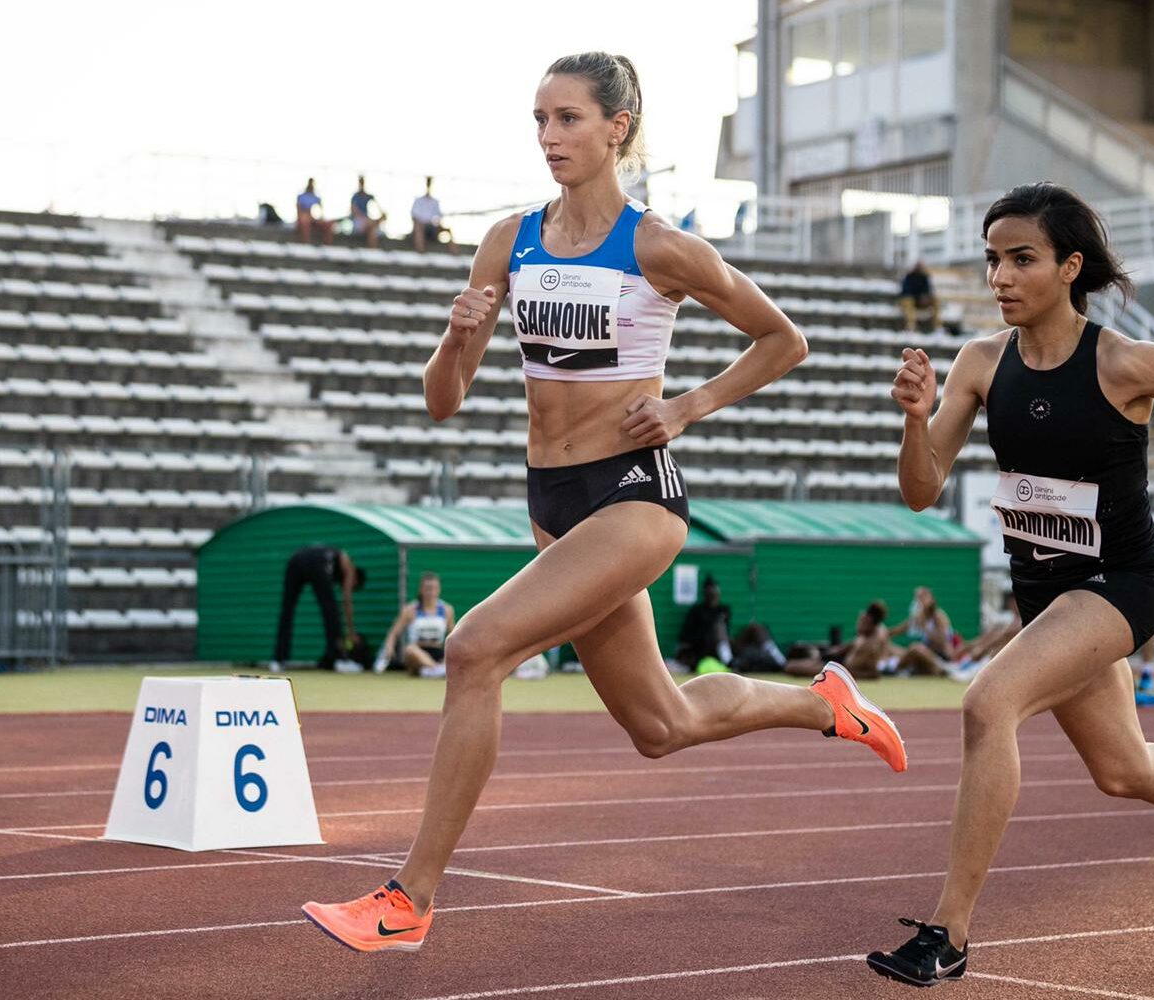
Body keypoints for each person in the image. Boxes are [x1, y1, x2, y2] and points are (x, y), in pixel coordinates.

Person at [302, 50, 908, 955]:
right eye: (540, 120)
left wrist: (685, 405)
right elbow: (443, 399)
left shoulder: (657, 245)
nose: (550, 136)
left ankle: (409, 899)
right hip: (552, 497)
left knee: (472, 649)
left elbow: (785, 340)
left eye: (569, 119)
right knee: (662, 725)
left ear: (617, 127)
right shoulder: (511, 239)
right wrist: (455, 338)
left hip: (634, 496)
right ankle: (826, 703)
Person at [867, 181, 1154, 988]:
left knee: (988, 703)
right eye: (992, 260)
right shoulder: (980, 363)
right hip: (1046, 596)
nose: (1000, 277)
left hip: (1121, 582)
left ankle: (949, 933)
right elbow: (921, 491)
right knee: (1123, 770)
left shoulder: (1126, 363)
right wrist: (917, 420)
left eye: (1021, 259)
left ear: (1069, 267)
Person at [269, 545, 366, 673]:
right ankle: (339, 660)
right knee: (331, 611)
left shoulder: (330, 556)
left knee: (287, 610)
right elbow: (347, 601)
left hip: (295, 560)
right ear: (356, 579)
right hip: (316, 564)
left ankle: (278, 661)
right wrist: (351, 632)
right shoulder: (349, 567)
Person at [376, 572, 455, 678]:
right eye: (428, 588)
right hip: (417, 653)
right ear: (421, 590)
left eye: (434, 588)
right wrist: (389, 649)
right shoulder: (410, 610)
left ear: (439, 589)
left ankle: (434, 670)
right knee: (409, 650)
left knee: (452, 649)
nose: (431, 592)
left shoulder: (447, 610)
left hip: (438, 651)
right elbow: (393, 633)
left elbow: (453, 635)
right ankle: (435, 669)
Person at [887, 585, 957, 676]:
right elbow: (896, 631)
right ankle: (898, 669)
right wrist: (880, 633)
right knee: (891, 648)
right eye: (917, 598)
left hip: (940, 657)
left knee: (915, 648)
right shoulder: (917, 617)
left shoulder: (938, 616)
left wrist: (924, 627)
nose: (919, 601)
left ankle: (894, 671)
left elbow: (943, 642)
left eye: (923, 597)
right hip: (923, 655)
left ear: (931, 599)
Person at [674, 575, 732, 673]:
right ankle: (729, 661)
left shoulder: (723, 610)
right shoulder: (697, 611)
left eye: (715, 593)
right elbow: (685, 635)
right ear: (705, 594)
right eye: (710, 593)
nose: (713, 596)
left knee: (720, 628)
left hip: (718, 646)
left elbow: (725, 632)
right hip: (699, 645)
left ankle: (729, 660)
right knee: (717, 628)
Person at [411, 177, 455, 254]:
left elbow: (439, 217)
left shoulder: (435, 202)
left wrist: (437, 224)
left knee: (447, 230)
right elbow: (415, 218)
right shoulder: (418, 200)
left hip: (432, 228)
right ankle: (420, 250)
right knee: (419, 227)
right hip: (421, 228)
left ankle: (455, 253)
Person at [898, 260, 941, 333]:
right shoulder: (908, 277)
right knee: (908, 301)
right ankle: (911, 326)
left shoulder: (924, 277)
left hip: (921, 301)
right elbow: (906, 291)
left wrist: (925, 296)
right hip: (909, 299)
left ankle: (938, 326)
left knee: (935, 300)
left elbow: (927, 290)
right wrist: (918, 297)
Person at [349, 175, 385, 249]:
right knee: (372, 227)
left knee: (372, 229)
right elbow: (354, 211)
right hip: (359, 222)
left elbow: (381, 210)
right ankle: (373, 249)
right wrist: (365, 218)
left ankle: (372, 249)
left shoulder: (368, 196)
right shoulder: (355, 196)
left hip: (368, 222)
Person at [295, 178, 334, 245]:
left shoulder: (317, 198)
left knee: (329, 224)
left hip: (315, 219)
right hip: (305, 218)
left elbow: (319, 211)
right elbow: (299, 211)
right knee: (304, 221)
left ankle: (326, 244)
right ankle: (305, 244)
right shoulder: (301, 197)